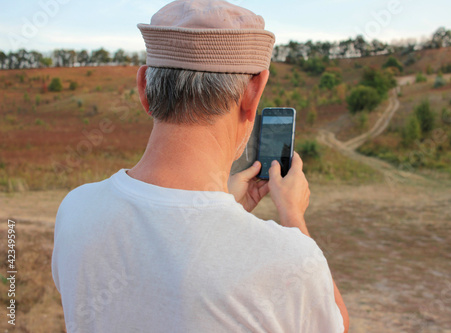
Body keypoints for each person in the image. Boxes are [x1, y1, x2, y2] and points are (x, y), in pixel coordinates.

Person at [51, 0, 349, 332]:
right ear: (253, 93)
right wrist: (294, 217)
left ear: (144, 89)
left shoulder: (75, 210)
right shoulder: (286, 258)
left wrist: (221, 206)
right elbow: (336, 324)